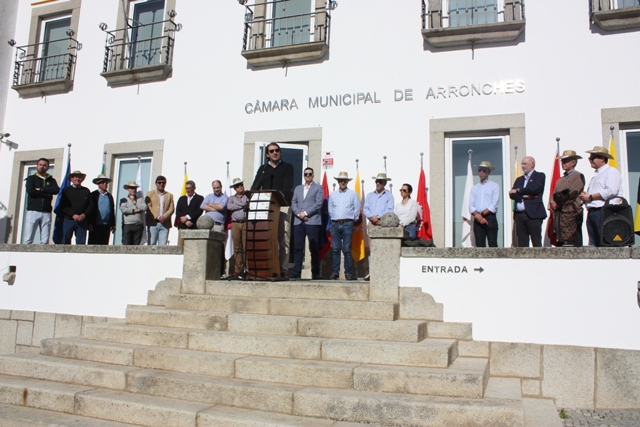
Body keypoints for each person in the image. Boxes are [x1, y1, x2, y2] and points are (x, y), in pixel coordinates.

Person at [251, 142, 295, 276]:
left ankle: (282, 270)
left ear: (280, 152)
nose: (275, 153)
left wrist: (277, 197)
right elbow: (255, 187)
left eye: (277, 150)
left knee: (283, 241)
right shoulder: (263, 169)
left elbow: (287, 187)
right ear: (267, 154)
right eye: (271, 151)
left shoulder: (288, 167)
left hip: (282, 206)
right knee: (267, 238)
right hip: (266, 208)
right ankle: (268, 268)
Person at [579, 146, 623, 247]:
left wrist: (590, 197)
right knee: (594, 244)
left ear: (602, 159)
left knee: (606, 242)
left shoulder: (611, 172)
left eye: (592, 158)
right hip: (593, 212)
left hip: (604, 211)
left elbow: (611, 191)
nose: (590, 160)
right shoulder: (596, 176)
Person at [291, 167, 324, 280]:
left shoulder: (318, 188)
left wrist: (305, 213)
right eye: (306, 174)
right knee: (298, 247)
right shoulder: (298, 188)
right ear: (304, 175)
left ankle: (315, 272)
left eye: (310, 174)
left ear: (313, 175)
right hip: (298, 221)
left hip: (312, 221)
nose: (308, 175)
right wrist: (298, 214)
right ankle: (296, 272)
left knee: (314, 247)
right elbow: (293, 202)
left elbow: (318, 204)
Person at [328, 171, 360, 281]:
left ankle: (348, 273)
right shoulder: (333, 195)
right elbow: (330, 209)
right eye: (341, 180)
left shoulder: (353, 193)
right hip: (335, 224)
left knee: (347, 249)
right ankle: (335, 272)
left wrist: (351, 219)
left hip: (347, 224)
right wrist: (336, 218)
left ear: (347, 181)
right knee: (336, 249)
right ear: (337, 181)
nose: (342, 182)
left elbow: (356, 209)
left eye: (344, 180)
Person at [549, 150, 585, 247]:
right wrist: (552, 202)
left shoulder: (578, 176)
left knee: (574, 238)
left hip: (572, 212)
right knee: (560, 239)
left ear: (573, 163)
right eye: (562, 161)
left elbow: (572, 194)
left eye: (566, 161)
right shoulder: (560, 180)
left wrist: (558, 203)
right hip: (560, 214)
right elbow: (554, 193)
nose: (563, 164)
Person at [509, 156, 547, 247]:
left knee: (536, 241)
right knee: (522, 243)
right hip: (519, 215)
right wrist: (525, 195)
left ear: (532, 164)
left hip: (533, 215)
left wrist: (518, 191)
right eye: (522, 164)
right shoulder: (519, 179)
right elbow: (512, 194)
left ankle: (538, 260)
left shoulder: (539, 176)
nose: (523, 166)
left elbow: (534, 189)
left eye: (525, 164)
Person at [23, 158, 59, 244]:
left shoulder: (51, 180)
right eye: (40, 165)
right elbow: (31, 191)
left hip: (46, 211)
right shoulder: (31, 179)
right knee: (28, 238)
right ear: (37, 166)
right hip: (33, 211)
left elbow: (56, 190)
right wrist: (47, 192)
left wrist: (41, 189)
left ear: (47, 167)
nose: (42, 167)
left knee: (45, 239)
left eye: (44, 165)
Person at [469, 161, 500, 248]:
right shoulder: (474, 188)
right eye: (480, 170)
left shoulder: (494, 186)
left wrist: (482, 215)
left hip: (490, 217)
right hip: (477, 218)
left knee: (492, 244)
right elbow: (471, 205)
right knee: (479, 246)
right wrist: (478, 216)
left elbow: (493, 204)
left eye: (483, 170)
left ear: (488, 172)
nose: (481, 172)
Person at [58, 170, 94, 245]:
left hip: (82, 221)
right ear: (71, 179)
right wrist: (73, 214)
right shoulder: (66, 190)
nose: (77, 179)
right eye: (75, 177)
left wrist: (83, 215)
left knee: (81, 243)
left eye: (79, 177)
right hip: (68, 220)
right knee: (65, 241)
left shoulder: (86, 191)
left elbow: (91, 205)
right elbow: (63, 205)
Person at [227, 178, 248, 277]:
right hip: (235, 223)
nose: (240, 187)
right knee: (237, 247)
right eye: (238, 186)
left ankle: (247, 268)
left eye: (241, 185)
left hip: (245, 223)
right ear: (235, 188)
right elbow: (229, 207)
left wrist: (237, 204)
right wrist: (241, 205)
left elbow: (248, 205)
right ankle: (237, 269)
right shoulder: (231, 198)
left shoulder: (247, 196)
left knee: (246, 246)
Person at [145, 175, 174, 246]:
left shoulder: (169, 195)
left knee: (163, 245)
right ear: (156, 183)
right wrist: (157, 216)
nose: (161, 184)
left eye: (163, 183)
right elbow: (148, 207)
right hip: (153, 223)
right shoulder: (150, 194)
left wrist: (164, 216)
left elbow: (172, 208)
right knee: (152, 244)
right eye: (159, 182)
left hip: (165, 223)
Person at [88, 174, 116, 245]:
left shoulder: (109, 196)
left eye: (106, 183)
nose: (105, 184)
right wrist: (89, 223)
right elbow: (90, 209)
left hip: (106, 225)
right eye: (103, 183)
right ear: (98, 184)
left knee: (104, 244)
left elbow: (112, 210)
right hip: (95, 225)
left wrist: (113, 224)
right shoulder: (93, 195)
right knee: (93, 244)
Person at [120, 181, 147, 245]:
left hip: (138, 225)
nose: (133, 190)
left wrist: (135, 202)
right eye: (131, 188)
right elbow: (124, 210)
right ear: (128, 189)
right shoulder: (124, 199)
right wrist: (134, 210)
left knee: (136, 246)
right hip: (128, 225)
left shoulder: (140, 199)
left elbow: (144, 208)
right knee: (127, 245)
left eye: (135, 188)